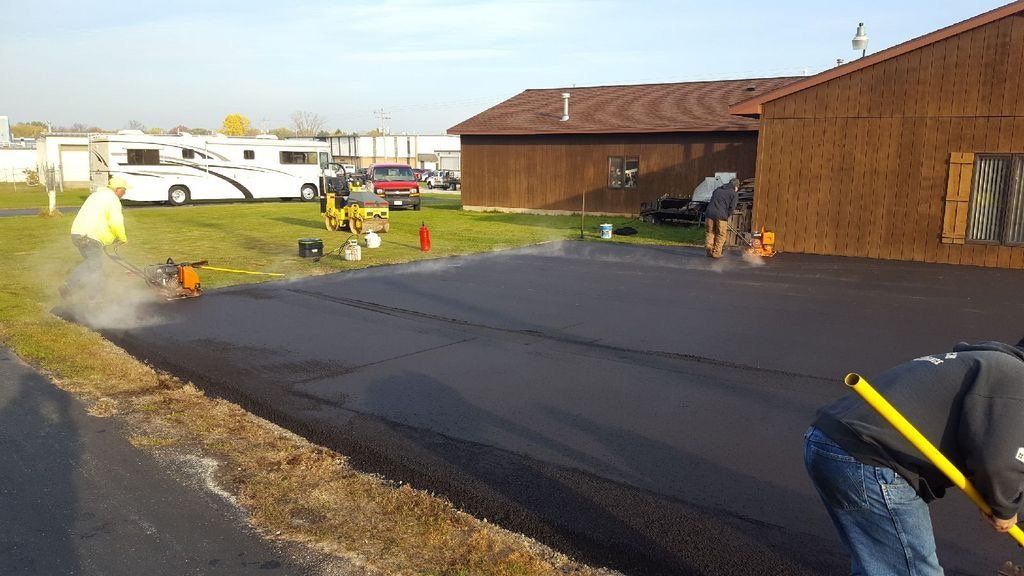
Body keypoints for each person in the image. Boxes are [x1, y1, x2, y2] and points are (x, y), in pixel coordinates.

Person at [805, 339, 1024, 575]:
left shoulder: (988, 362)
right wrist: (1004, 508)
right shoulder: (1016, 379)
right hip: (870, 459)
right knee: (912, 570)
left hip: (830, 439)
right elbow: (998, 463)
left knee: (883, 564)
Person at [61, 177, 129, 298]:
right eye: (124, 190)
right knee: (94, 265)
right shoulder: (112, 200)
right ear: (117, 189)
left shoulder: (96, 195)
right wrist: (122, 237)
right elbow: (116, 222)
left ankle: (91, 291)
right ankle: (89, 295)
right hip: (90, 236)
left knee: (92, 264)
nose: (124, 194)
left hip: (77, 233)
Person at [704, 178, 739, 258]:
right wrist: (727, 215)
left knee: (710, 232)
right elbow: (732, 208)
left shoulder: (717, 190)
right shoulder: (734, 193)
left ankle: (709, 248)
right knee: (721, 234)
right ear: (736, 186)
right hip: (721, 215)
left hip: (709, 213)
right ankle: (716, 253)